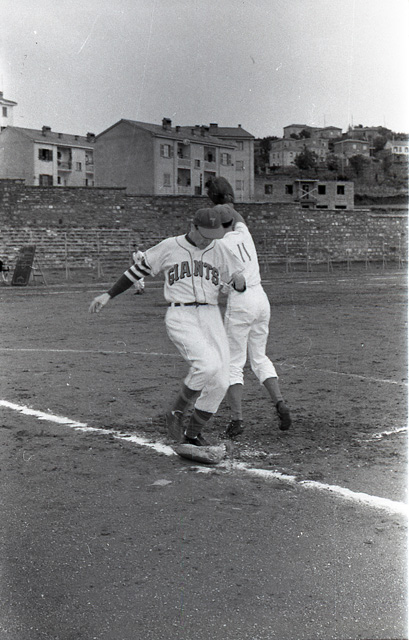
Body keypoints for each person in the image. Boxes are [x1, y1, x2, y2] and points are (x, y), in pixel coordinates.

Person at [89, 207, 246, 446]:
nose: (208, 240)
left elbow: (237, 283)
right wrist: (108, 295)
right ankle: (176, 412)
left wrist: (239, 283)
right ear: (193, 227)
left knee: (222, 381)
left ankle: (192, 434)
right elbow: (137, 271)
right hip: (181, 314)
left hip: (211, 315)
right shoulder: (170, 246)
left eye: (213, 235)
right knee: (207, 365)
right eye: (205, 235)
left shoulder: (219, 248)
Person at [206, 177, 292, 437]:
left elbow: (224, 281)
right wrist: (226, 199)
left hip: (241, 301)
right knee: (259, 357)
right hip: (261, 299)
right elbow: (236, 216)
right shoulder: (244, 233)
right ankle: (280, 403)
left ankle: (237, 419)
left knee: (233, 363)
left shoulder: (218, 245)